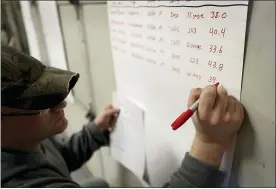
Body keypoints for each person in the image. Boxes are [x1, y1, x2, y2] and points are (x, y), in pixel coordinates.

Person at [1, 46, 244, 187]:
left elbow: (60, 157)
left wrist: (96, 132)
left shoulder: (22, 139)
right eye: (40, 103)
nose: (61, 103)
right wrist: (209, 144)